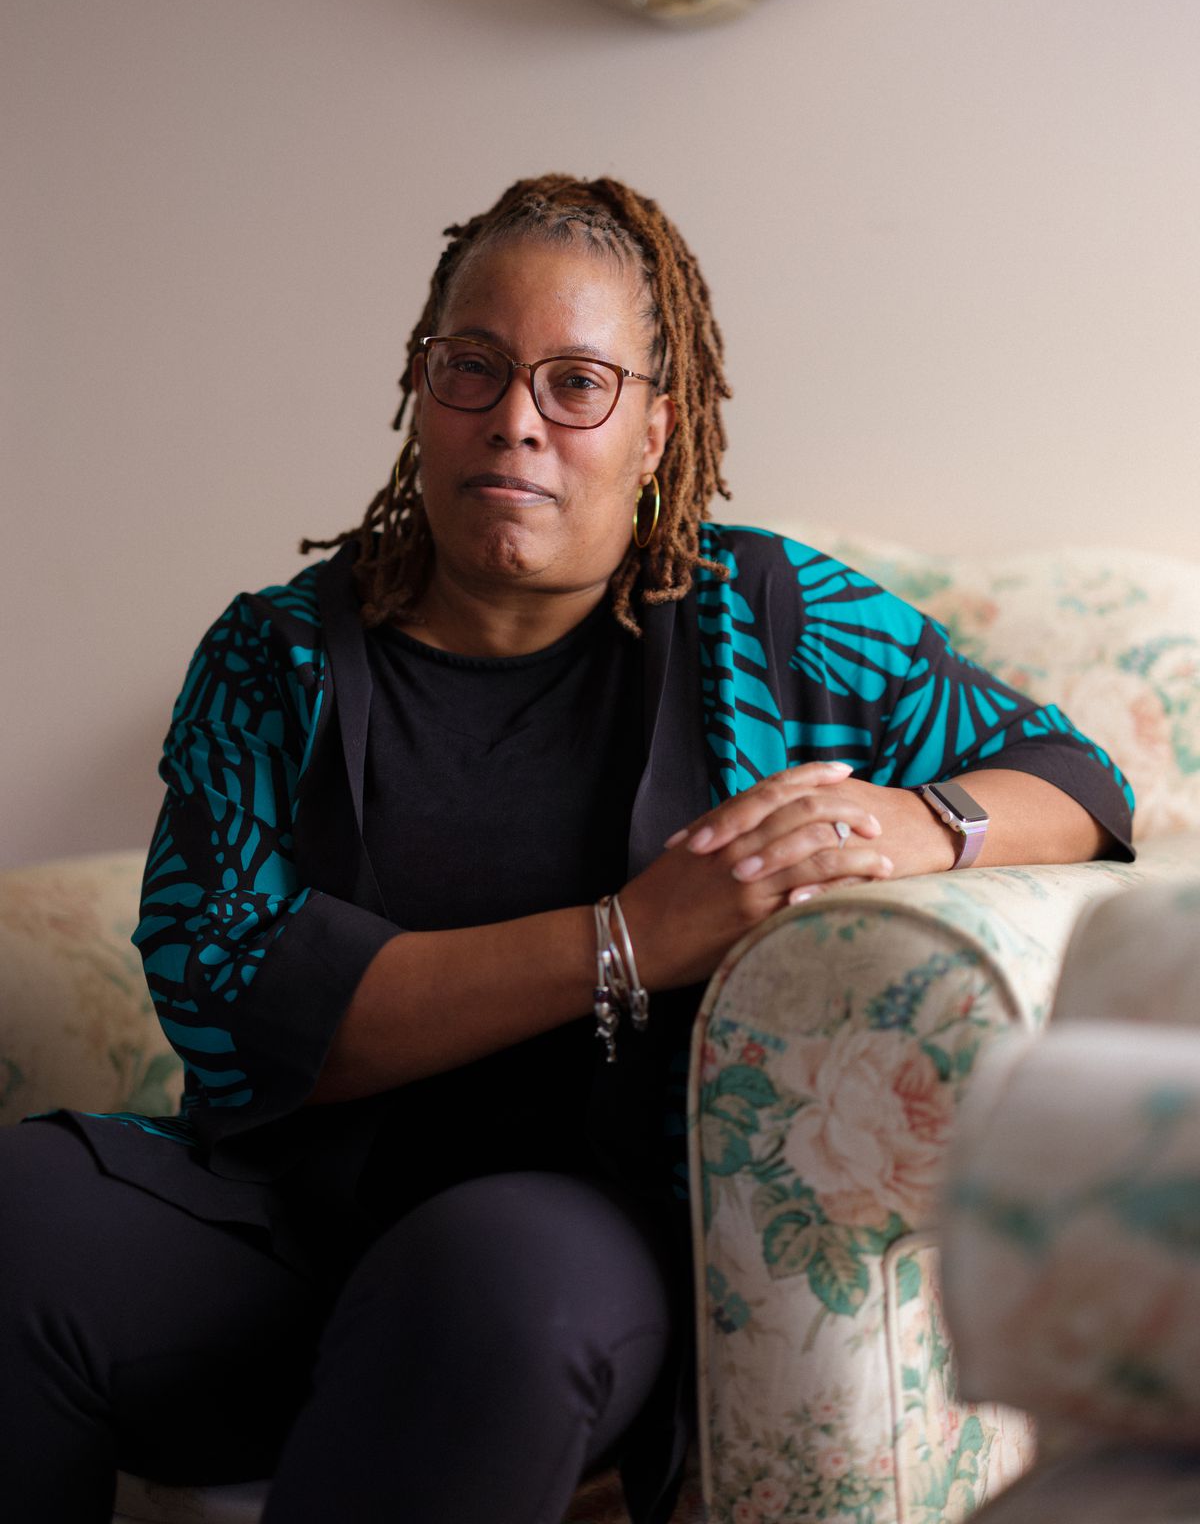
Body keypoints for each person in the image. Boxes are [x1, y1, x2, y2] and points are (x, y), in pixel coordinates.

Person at [0, 174, 1134, 1524]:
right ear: (421, 390)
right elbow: (226, 996)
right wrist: (630, 938)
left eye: (577, 383)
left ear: (659, 427)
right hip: (280, 1230)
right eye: (472, 368)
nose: (515, 421)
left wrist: (918, 820)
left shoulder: (762, 615)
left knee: (485, 1275)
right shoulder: (277, 656)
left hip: (572, 1243)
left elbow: (1079, 782)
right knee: (23, 1212)